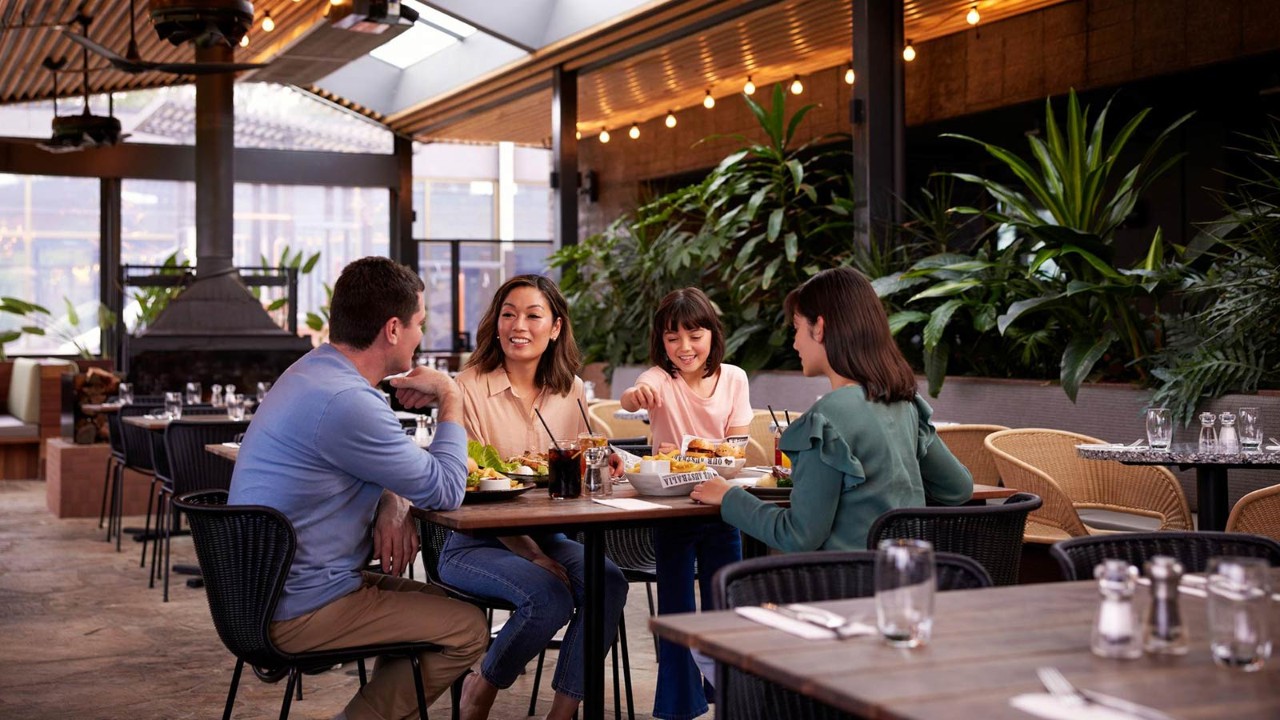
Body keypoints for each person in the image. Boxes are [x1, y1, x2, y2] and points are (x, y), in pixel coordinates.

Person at [229, 256, 488, 720]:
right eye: (419, 324)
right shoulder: (347, 400)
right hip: (300, 607)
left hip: (261, 593)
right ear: (393, 329)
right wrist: (452, 395)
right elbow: (447, 489)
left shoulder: (311, 372)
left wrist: (392, 498)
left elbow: (359, 467)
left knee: (439, 605)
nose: (420, 336)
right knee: (468, 628)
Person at [442, 274, 629, 720]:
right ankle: (482, 684)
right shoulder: (466, 387)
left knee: (609, 582)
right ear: (496, 324)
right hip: (473, 543)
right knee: (548, 596)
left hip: (549, 538)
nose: (519, 326)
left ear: (556, 327)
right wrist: (530, 555)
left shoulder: (571, 389)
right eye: (508, 314)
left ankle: (563, 711)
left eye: (532, 315)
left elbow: (585, 457)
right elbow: (472, 484)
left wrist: (605, 458)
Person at [691, 266, 974, 551]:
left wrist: (729, 497)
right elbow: (958, 488)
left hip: (840, 576)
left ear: (819, 327)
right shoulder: (905, 403)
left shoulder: (825, 420)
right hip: (902, 570)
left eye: (797, 328)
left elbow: (798, 536)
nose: (795, 343)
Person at [619, 287, 752, 720]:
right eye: (672, 337)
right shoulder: (660, 378)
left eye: (695, 335)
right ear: (661, 341)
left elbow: (736, 447)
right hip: (671, 507)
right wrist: (637, 397)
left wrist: (701, 456)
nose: (684, 347)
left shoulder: (733, 378)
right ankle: (678, 704)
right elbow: (633, 394)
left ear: (712, 334)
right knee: (676, 609)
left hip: (720, 506)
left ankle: (728, 695)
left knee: (722, 603)